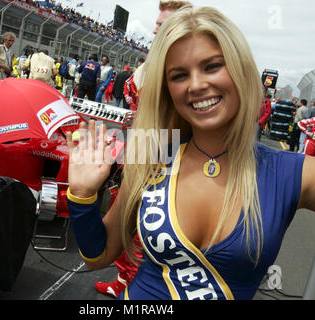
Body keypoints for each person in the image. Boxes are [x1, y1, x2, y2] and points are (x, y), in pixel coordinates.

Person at [65, 6, 315, 300]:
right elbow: (98, 256)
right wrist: (81, 195)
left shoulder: (292, 172)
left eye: (212, 66)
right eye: (179, 75)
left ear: (240, 70)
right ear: (167, 89)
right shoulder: (153, 153)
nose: (196, 85)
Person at [94, 0, 191, 298]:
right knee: (126, 216)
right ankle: (126, 280)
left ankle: (136, 285)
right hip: (141, 147)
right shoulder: (156, 62)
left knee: (145, 222)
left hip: (165, 157)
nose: (154, 29)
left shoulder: (182, 69)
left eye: (161, 25)